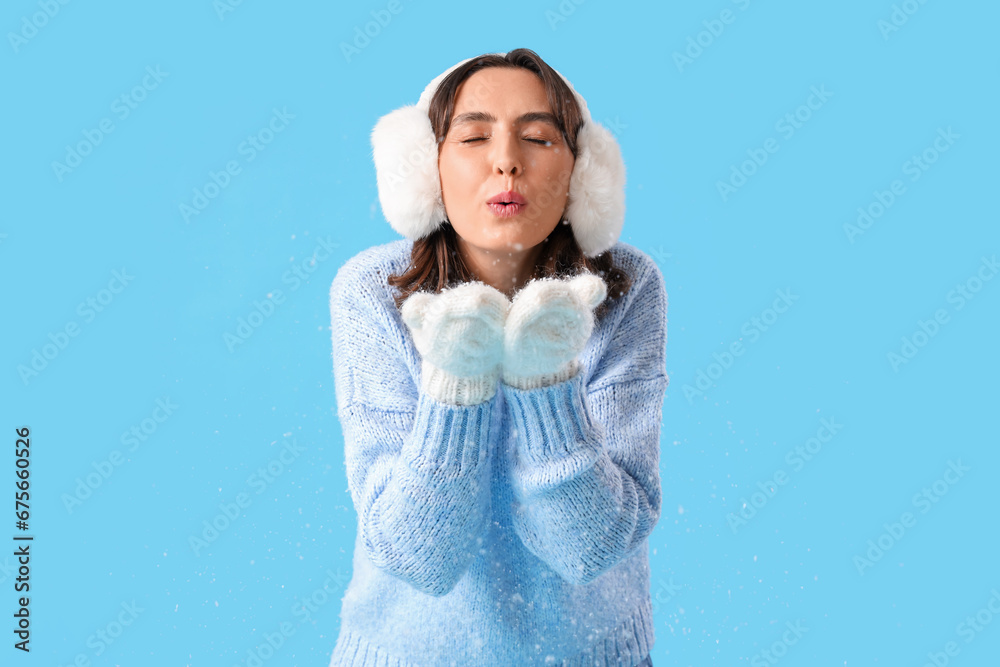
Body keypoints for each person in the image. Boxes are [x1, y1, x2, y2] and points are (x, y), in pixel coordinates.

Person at [328, 48, 667, 667]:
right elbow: (418, 557)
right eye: (473, 137)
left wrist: (544, 381)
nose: (507, 160)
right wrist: (455, 384)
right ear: (425, 169)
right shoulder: (372, 293)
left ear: (583, 176)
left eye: (538, 138)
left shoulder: (625, 290)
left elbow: (592, 548)